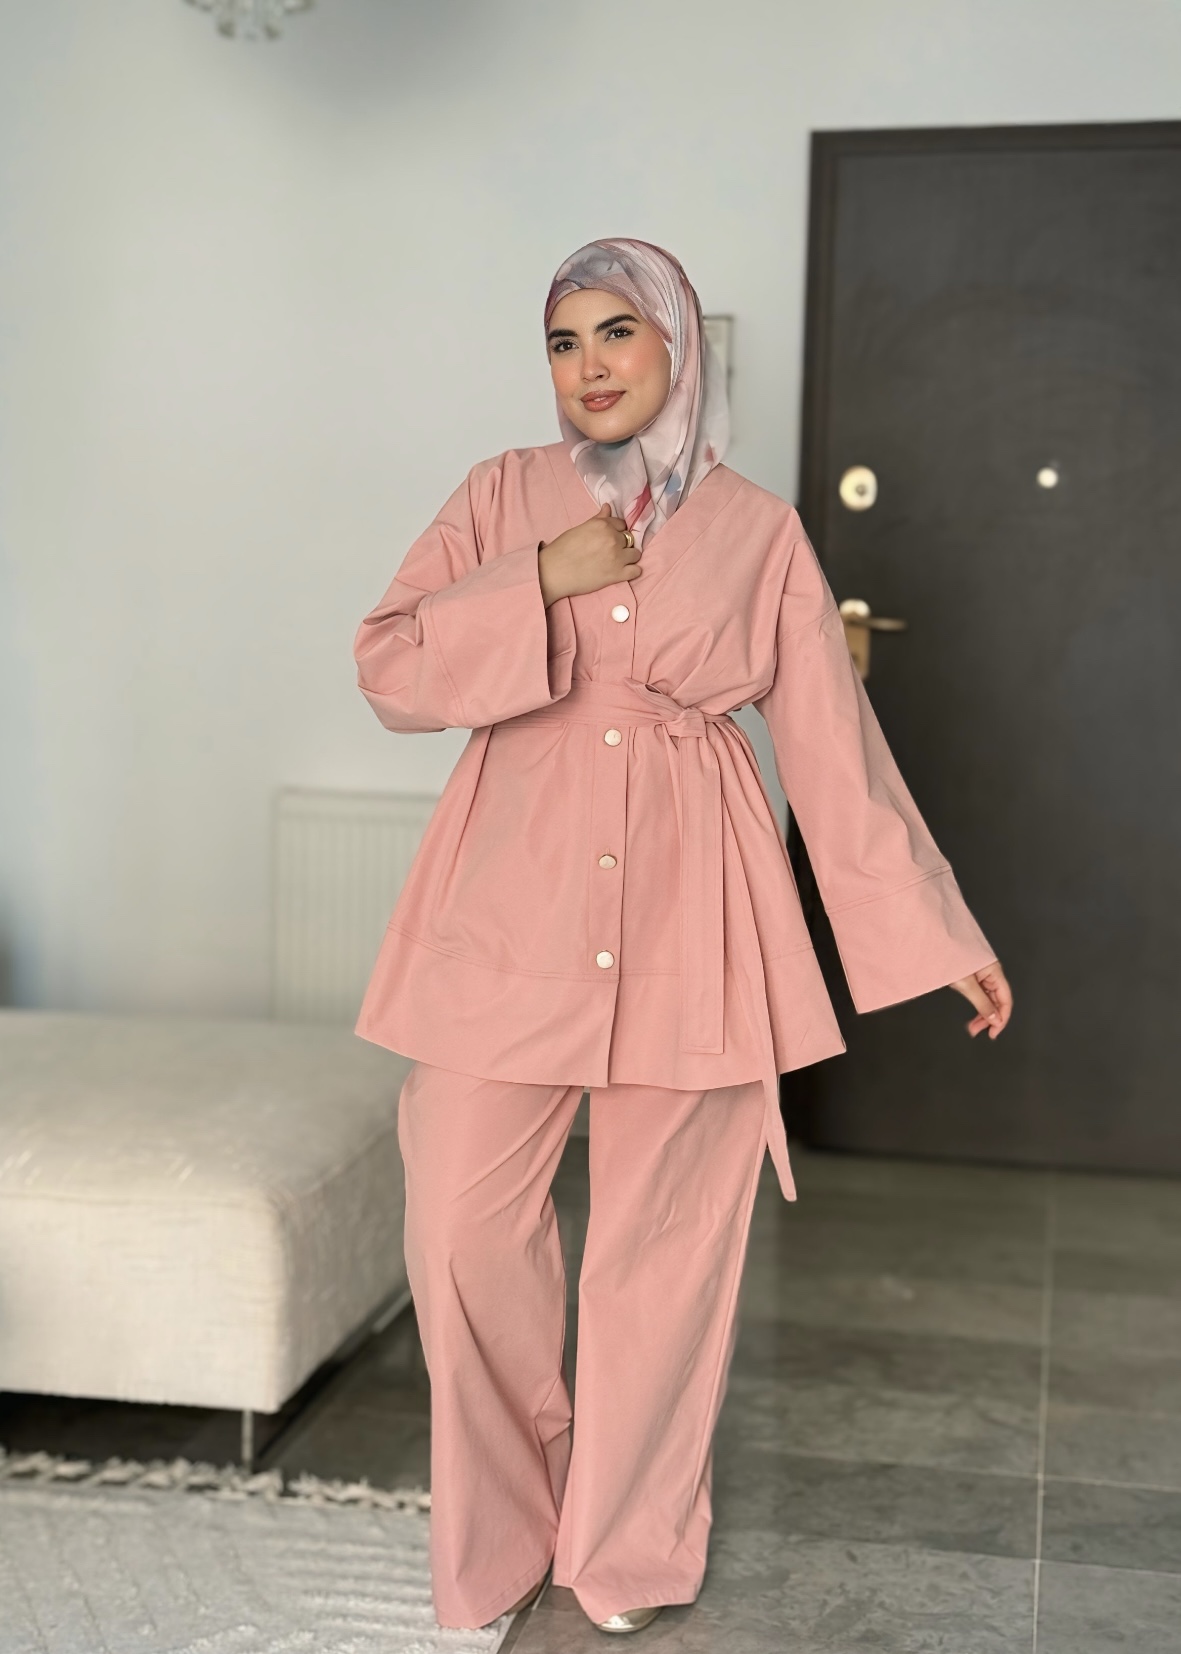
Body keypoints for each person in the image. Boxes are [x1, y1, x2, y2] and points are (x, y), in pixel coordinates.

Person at [351, 237, 1013, 1635]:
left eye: (616, 332)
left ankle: (623, 1550)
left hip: (696, 906)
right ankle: (506, 1528)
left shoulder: (759, 531)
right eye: (563, 340)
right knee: (460, 1223)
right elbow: (391, 666)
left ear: (675, 344)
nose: (588, 365)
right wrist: (537, 576)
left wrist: (932, 927)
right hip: (509, 903)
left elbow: (832, 745)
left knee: (662, 1252)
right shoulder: (500, 496)